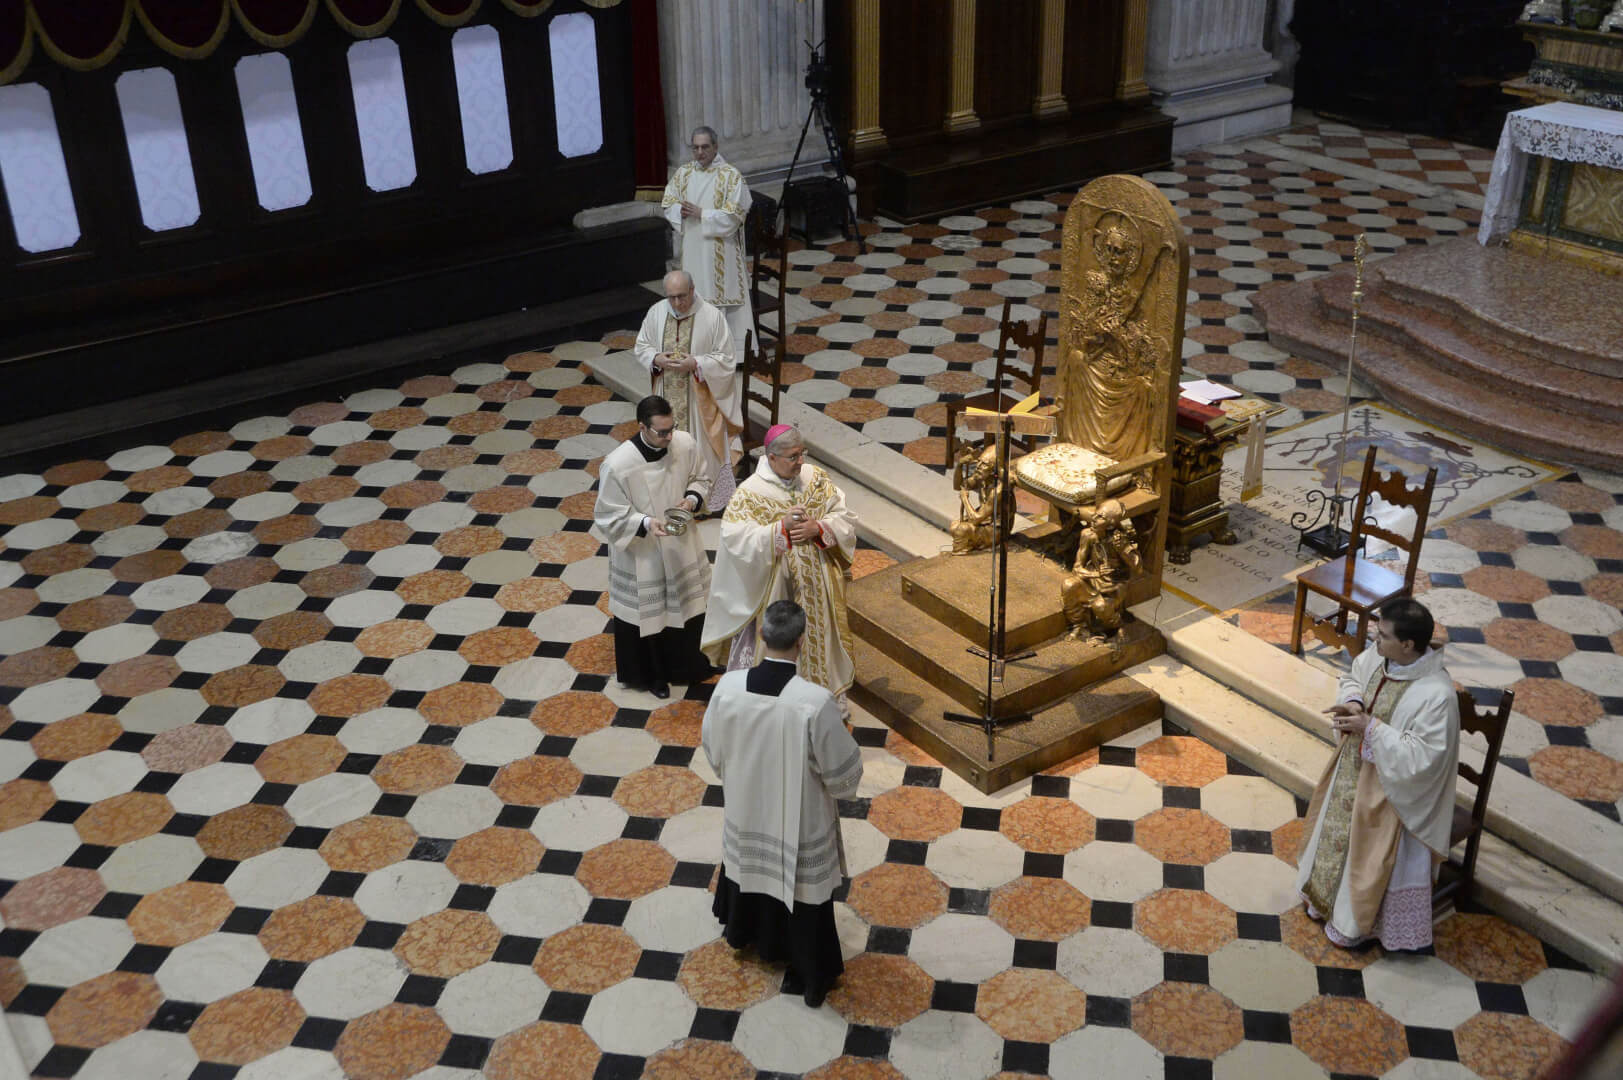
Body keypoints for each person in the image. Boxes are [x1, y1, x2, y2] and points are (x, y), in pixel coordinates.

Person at [702, 599, 864, 1008]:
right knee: (804, 892)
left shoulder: (728, 688)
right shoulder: (815, 702)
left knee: (749, 870)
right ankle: (811, 974)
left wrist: (740, 779)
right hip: (799, 821)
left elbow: (713, 750)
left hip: (746, 811)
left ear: (761, 634)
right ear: (802, 641)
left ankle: (749, 936)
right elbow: (842, 772)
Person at [1295, 596, 1460, 951]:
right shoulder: (1380, 655)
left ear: (1408, 644)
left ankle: (1354, 922)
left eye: (1383, 635)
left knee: (1367, 857)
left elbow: (1424, 758)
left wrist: (1370, 728)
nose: (1374, 639)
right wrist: (1353, 701)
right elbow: (1354, 675)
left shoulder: (1438, 695)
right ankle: (1324, 902)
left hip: (1394, 796)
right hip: (1352, 770)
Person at [702, 424, 858, 710]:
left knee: (819, 637)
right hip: (773, 587)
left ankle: (824, 699)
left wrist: (818, 528)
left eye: (802, 453)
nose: (800, 462)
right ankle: (775, 705)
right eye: (793, 456)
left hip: (816, 584)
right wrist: (779, 529)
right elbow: (735, 540)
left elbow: (843, 515)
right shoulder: (749, 493)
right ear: (771, 457)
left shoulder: (815, 478)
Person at [590, 395, 714, 700]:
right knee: (651, 615)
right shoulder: (618, 464)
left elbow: (702, 477)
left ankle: (689, 666)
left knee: (685, 607)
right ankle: (653, 676)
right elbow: (607, 514)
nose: (669, 437)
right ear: (642, 427)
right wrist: (645, 522)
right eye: (662, 432)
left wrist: (692, 499)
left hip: (679, 542)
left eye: (672, 428)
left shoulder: (684, 444)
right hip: (642, 551)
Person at [633, 270, 742, 511]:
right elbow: (641, 346)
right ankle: (669, 497)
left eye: (682, 296)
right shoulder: (656, 312)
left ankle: (703, 500)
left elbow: (726, 358)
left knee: (700, 450)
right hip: (666, 394)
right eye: (671, 297)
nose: (676, 303)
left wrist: (696, 363)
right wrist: (655, 358)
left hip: (698, 400)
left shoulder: (712, 316)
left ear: (692, 290)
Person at [661, 125, 754, 357]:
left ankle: (731, 354)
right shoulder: (684, 173)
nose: (700, 152)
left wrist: (702, 213)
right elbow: (668, 201)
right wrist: (679, 211)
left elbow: (735, 216)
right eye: (695, 148)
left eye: (705, 147)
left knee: (722, 299)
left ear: (715, 147)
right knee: (695, 296)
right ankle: (699, 353)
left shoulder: (731, 176)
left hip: (721, 251)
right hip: (693, 249)